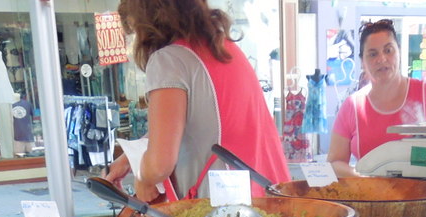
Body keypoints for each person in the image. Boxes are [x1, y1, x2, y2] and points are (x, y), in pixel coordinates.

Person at [104, 0, 288, 202]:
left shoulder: (169, 60)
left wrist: (144, 176)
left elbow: (158, 167)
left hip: (223, 208)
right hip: (266, 198)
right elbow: (183, 124)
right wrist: (129, 158)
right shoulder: (224, 48)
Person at [327, 19, 426, 176]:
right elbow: (334, 163)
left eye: (388, 50)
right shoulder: (352, 106)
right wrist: (362, 177)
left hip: (425, 190)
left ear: (399, 51)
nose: (381, 59)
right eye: (373, 54)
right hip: (370, 191)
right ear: (362, 62)